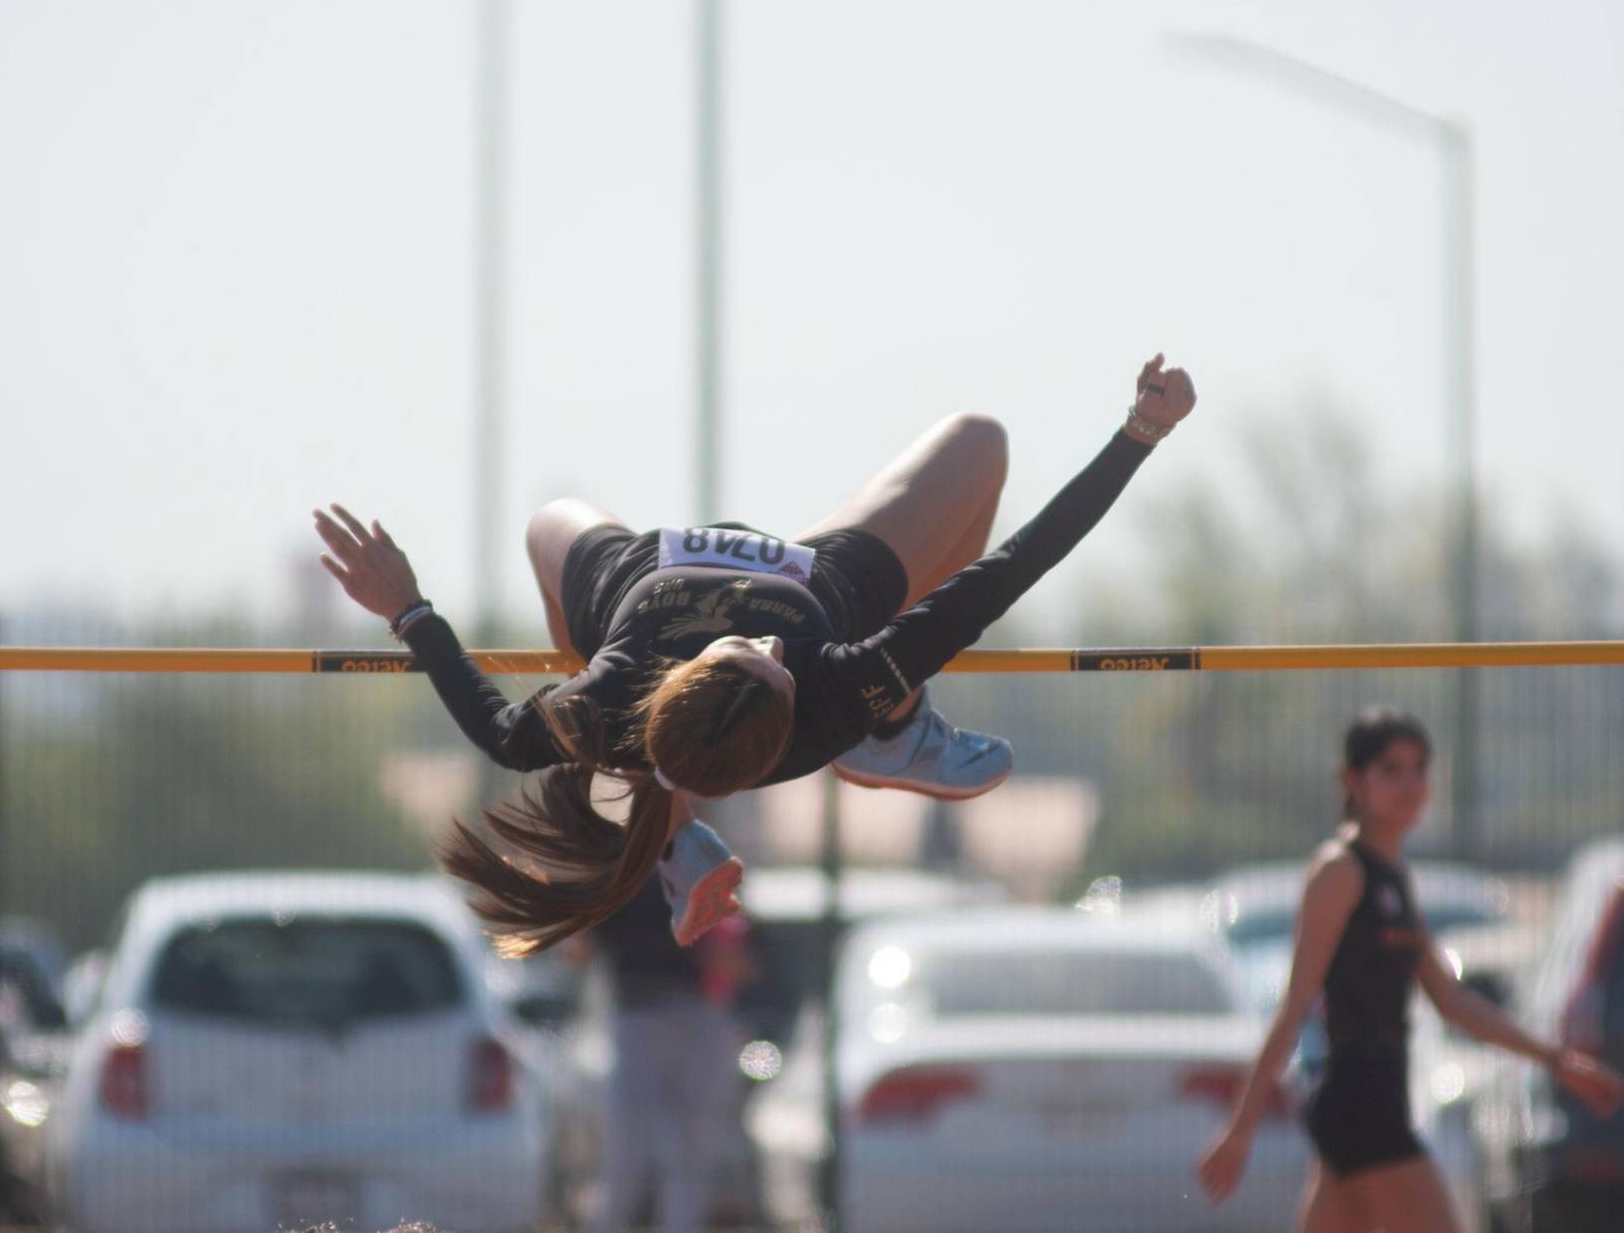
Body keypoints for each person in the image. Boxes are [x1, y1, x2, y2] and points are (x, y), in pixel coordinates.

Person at [314, 353, 1196, 954]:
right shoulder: (839, 680)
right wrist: (1139, 437)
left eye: (751, 651)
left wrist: (410, 609)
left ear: (684, 682)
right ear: (799, 695)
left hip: (632, 572)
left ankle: (671, 834)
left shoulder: (613, 691)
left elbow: (498, 730)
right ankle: (895, 732)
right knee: (982, 444)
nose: (770, 638)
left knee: (547, 521)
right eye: (779, 658)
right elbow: (1020, 562)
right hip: (827, 576)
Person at [1195, 708, 1624, 1233]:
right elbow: (1294, 1005)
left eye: (1420, 768)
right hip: (1361, 1107)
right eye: (1391, 770)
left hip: (1373, 1102)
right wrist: (1241, 1131)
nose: (1411, 784)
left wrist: (1558, 1060)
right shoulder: (1339, 872)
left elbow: (1454, 1003)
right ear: (1352, 780)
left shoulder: (1393, 877)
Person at [569, 879, 753, 1233]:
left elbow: (579, 951)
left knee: (659, 1153)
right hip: (665, 1018)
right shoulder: (689, 868)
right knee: (653, 1155)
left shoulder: (667, 871)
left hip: (675, 1016)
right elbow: (582, 948)